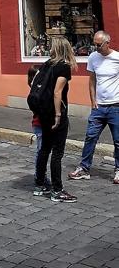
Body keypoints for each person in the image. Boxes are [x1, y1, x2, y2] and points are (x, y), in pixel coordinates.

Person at [68, 30, 119, 184]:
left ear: (107, 43)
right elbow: (92, 81)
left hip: (116, 106)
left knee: (118, 141)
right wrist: (92, 100)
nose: (96, 47)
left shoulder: (117, 58)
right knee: (90, 137)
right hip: (98, 107)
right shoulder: (93, 58)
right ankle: (84, 168)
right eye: (94, 44)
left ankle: (118, 170)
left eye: (99, 45)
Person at [35, 37, 76, 202]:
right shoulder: (63, 67)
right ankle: (57, 190)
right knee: (57, 153)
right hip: (54, 112)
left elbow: (34, 84)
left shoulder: (47, 64)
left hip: (43, 112)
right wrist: (58, 115)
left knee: (44, 149)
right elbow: (58, 92)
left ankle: (39, 185)